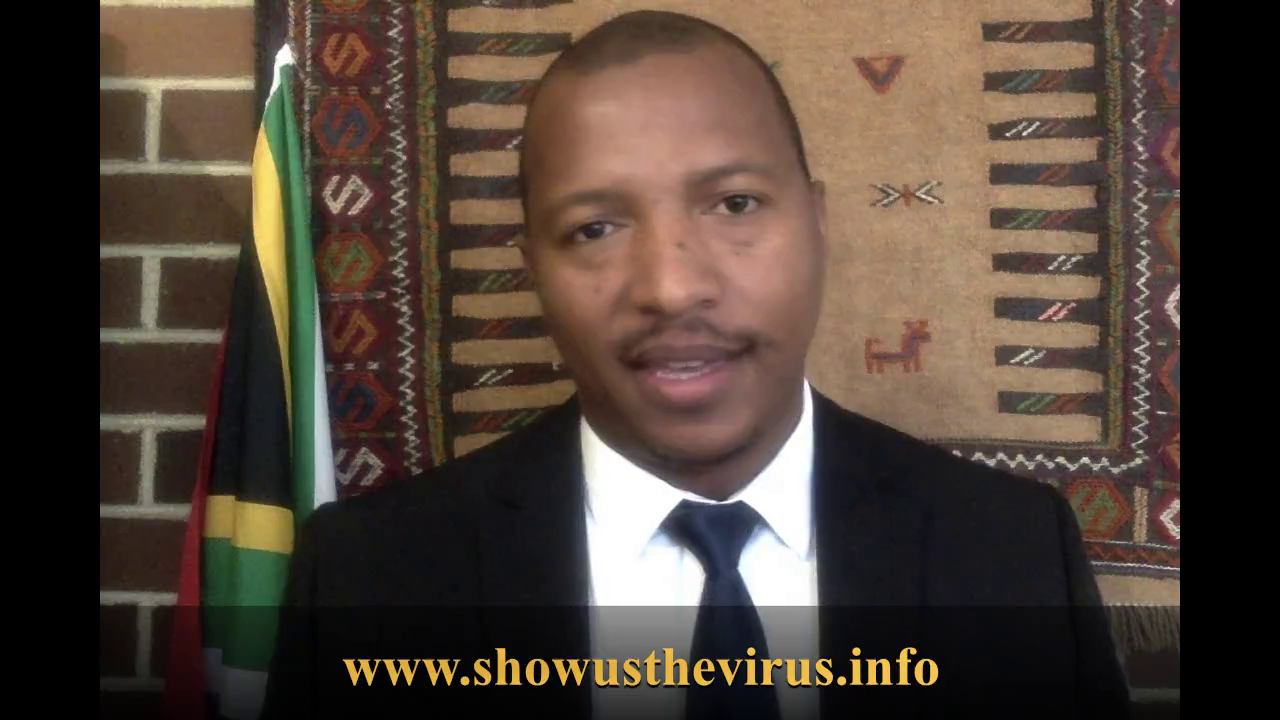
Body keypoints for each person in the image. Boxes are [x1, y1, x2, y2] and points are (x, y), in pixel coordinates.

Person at [261, 10, 1130, 720]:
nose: (672, 288)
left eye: (735, 203)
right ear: (534, 270)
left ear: (818, 223)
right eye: (594, 228)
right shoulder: (369, 579)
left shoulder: (1012, 553)